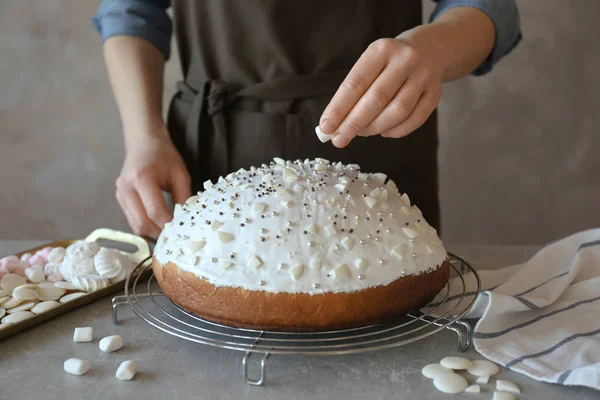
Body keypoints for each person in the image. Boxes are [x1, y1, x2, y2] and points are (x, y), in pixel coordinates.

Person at [92, 0, 521, 240]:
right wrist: (144, 136)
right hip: (212, 153)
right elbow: (130, 11)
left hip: (380, 141)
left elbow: (488, 6)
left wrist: (437, 47)